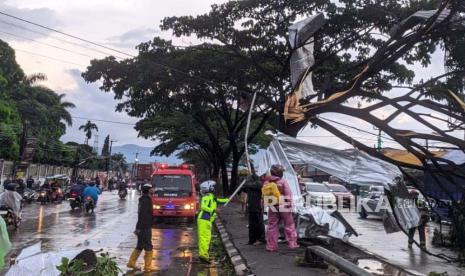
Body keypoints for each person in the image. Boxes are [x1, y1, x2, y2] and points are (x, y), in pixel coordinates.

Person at [264, 164, 299, 252]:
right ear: (280, 173)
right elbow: (288, 194)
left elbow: (264, 195)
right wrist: (290, 204)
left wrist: (264, 205)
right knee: (289, 225)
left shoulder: (266, 182)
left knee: (272, 226)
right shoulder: (283, 181)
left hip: (272, 205)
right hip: (284, 205)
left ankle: (271, 246)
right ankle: (292, 244)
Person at [197, 180, 229, 263]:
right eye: (213, 187)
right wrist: (214, 209)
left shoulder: (211, 197)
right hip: (204, 219)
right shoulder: (206, 197)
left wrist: (228, 199)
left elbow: (219, 200)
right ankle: (203, 255)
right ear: (209, 188)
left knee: (206, 238)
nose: (214, 188)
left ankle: (204, 254)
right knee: (204, 238)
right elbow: (203, 207)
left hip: (207, 220)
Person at [127, 184, 155, 272]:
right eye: (152, 188)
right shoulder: (146, 200)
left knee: (140, 245)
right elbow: (143, 215)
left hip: (142, 226)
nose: (154, 189)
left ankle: (131, 263)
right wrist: (139, 227)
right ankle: (148, 267)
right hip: (145, 226)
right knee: (148, 245)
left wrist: (138, 227)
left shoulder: (143, 199)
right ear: (148, 190)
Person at [242, 164, 265, 245]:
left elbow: (258, 185)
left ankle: (260, 239)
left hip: (257, 206)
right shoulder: (250, 184)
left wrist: (250, 179)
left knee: (258, 223)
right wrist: (247, 181)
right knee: (251, 224)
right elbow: (244, 188)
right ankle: (252, 239)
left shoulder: (258, 184)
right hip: (251, 206)